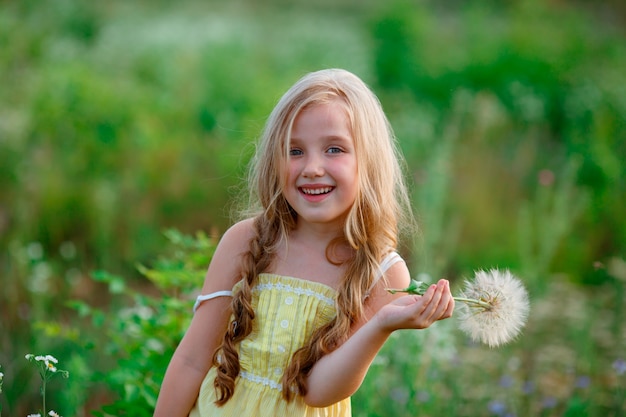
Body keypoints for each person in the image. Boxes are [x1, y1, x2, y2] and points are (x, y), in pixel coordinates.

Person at [153, 68, 454, 417]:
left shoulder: (382, 273)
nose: (312, 167)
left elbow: (316, 391)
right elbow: (191, 360)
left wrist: (381, 324)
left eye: (334, 149)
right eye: (294, 151)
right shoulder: (247, 240)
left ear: (369, 162)